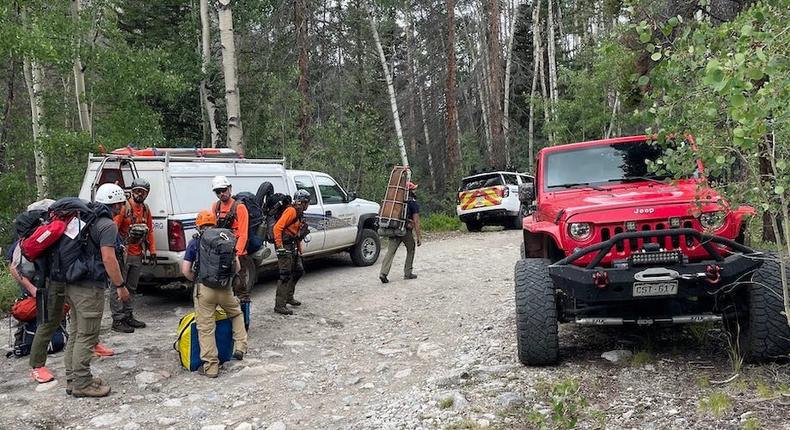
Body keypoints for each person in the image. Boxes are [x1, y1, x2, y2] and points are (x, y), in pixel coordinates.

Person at [20, 200, 113, 384]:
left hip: (63, 278)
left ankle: (90, 346)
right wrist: (31, 288)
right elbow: (16, 265)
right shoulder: (53, 228)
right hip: (51, 281)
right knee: (50, 321)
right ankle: (37, 365)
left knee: (79, 319)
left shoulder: (65, 226)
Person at [61, 184, 130, 397]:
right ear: (117, 203)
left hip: (71, 282)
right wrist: (120, 286)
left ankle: (74, 379)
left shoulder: (82, 219)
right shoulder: (107, 225)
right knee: (87, 335)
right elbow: (109, 258)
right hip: (89, 287)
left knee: (75, 333)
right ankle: (82, 383)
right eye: (122, 203)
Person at [181, 210, 247, 378]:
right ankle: (240, 347)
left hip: (204, 290)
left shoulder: (195, 242)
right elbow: (237, 267)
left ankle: (211, 367)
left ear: (198, 225)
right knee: (236, 313)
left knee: (206, 328)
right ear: (215, 223)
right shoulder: (225, 239)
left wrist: (197, 281)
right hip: (225, 288)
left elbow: (185, 270)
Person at [111, 177, 155, 333]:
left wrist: (153, 251)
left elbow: (150, 231)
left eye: (142, 192)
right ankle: (118, 319)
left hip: (137, 253)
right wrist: (115, 249)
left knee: (132, 287)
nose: (139, 194)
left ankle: (128, 315)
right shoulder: (124, 208)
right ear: (132, 191)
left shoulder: (146, 209)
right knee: (118, 286)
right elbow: (114, 228)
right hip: (124, 254)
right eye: (137, 191)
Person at [210, 176, 253, 307]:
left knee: (239, 286)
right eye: (218, 191)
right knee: (221, 287)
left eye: (223, 190)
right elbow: (213, 229)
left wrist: (237, 255)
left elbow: (243, 233)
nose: (221, 193)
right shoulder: (215, 206)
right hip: (222, 252)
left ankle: (243, 321)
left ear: (229, 188)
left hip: (237, 252)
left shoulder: (239, 207)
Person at [272, 189, 310, 315]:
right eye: (307, 202)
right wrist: (280, 246)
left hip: (292, 245)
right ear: (303, 202)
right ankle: (279, 305)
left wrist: (300, 250)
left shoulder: (299, 213)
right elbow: (277, 228)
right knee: (285, 274)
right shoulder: (291, 211)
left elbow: (296, 235)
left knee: (298, 270)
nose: (307, 205)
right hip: (284, 246)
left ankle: (289, 297)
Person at [379, 181, 422, 283]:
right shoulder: (412, 203)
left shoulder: (397, 201)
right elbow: (416, 221)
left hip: (393, 228)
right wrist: (418, 237)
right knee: (411, 248)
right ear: (410, 191)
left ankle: (383, 273)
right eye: (414, 189)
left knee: (391, 251)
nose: (415, 191)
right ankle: (408, 273)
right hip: (404, 230)